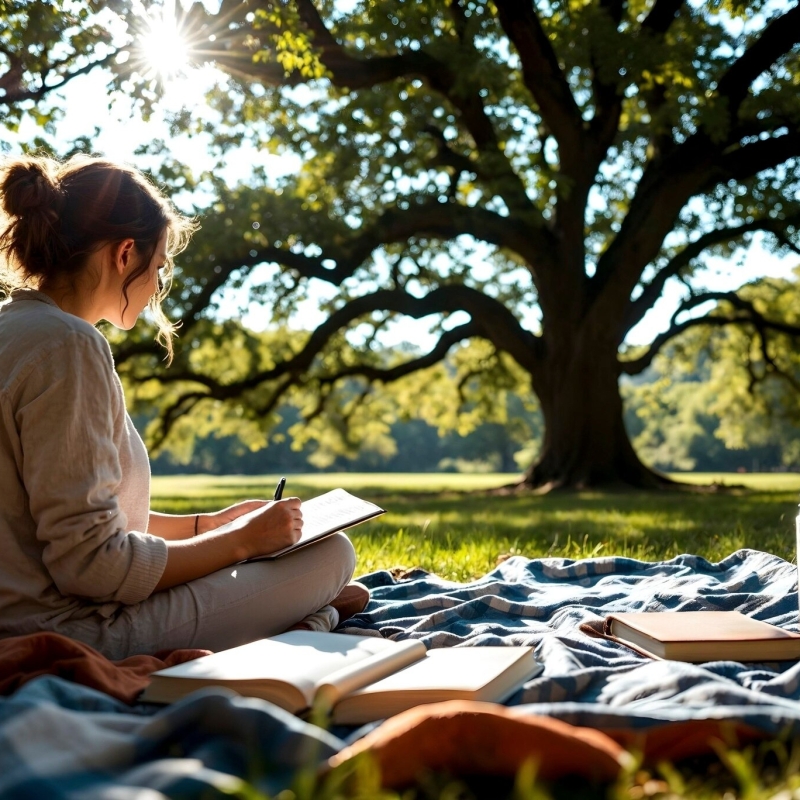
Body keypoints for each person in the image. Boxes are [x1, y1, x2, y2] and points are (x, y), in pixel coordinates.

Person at [0, 154, 366, 661]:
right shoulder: (68, 346)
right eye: (161, 265)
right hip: (71, 631)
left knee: (292, 567)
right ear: (125, 253)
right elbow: (92, 565)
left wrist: (210, 526)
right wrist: (241, 544)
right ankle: (307, 615)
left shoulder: (14, 330)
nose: (158, 286)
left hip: (30, 610)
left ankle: (296, 611)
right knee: (330, 556)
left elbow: (67, 515)